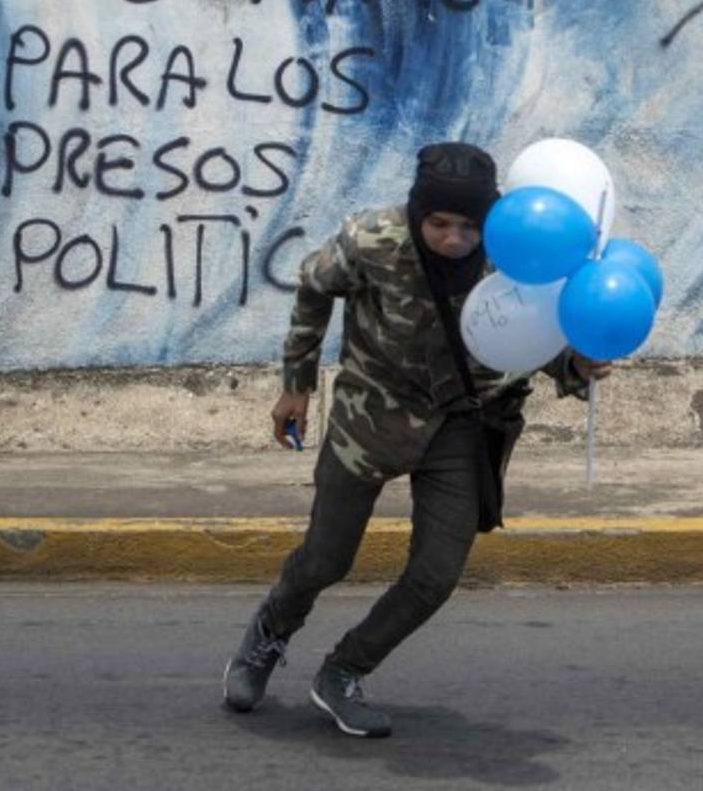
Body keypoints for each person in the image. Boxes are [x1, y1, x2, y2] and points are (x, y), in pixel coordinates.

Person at [223, 142, 611, 738]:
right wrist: (296, 385)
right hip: (367, 416)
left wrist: (576, 368)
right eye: (439, 224)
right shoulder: (371, 240)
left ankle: (343, 673)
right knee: (326, 560)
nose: (455, 239)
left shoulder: (515, 257)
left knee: (435, 576)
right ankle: (268, 637)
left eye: (469, 226)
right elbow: (312, 286)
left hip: (459, 425)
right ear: (416, 213)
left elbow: (532, 338)